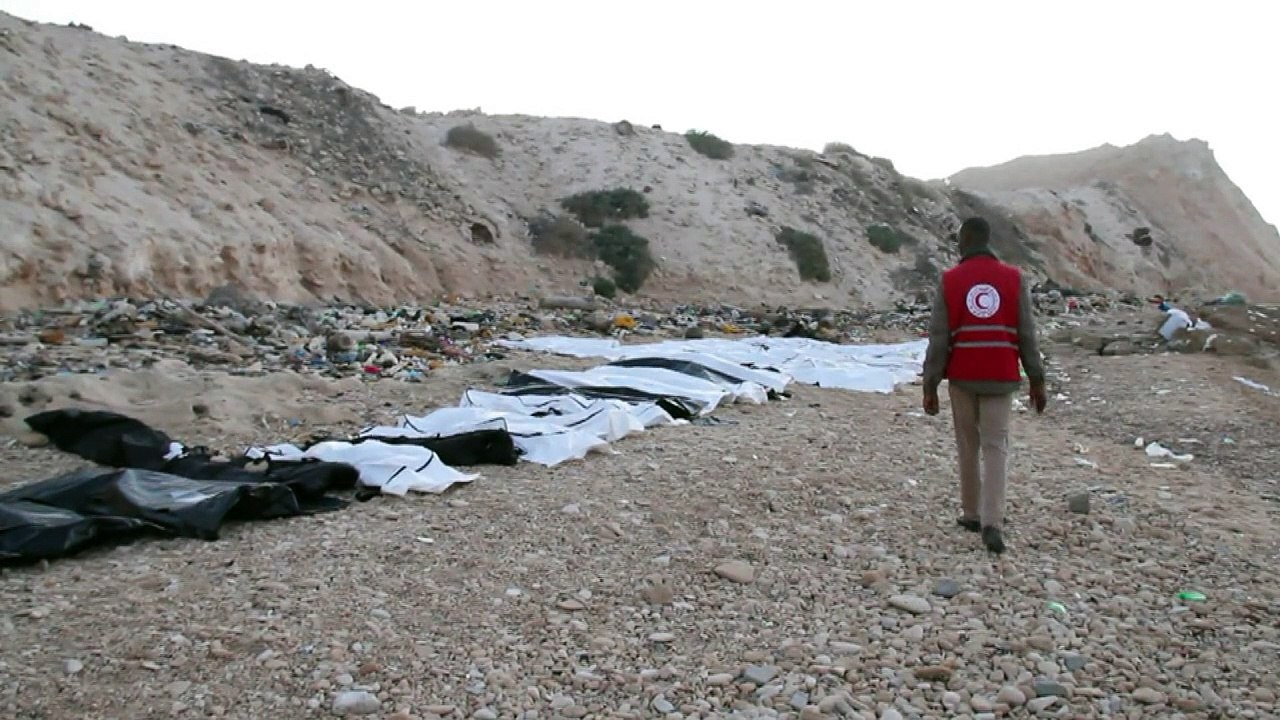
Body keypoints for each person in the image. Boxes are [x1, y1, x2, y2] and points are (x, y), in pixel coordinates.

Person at [921, 217, 1047, 554]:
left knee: (968, 445)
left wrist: (930, 384)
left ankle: (971, 513)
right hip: (1002, 375)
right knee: (996, 447)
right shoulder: (1014, 278)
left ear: (965, 240)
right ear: (988, 240)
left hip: (963, 375)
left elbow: (939, 337)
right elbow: (1026, 334)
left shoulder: (950, 280)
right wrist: (1037, 379)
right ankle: (993, 522)